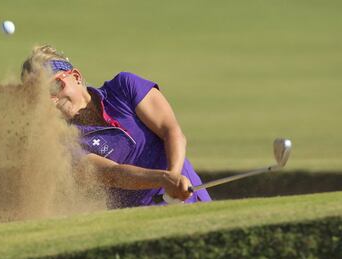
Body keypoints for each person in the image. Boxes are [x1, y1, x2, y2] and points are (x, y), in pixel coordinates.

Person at [21, 45, 211, 208]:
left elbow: (171, 131)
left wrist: (174, 175)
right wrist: (164, 179)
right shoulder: (62, 143)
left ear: (76, 76)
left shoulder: (124, 87)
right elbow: (112, 174)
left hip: (193, 202)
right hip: (142, 223)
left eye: (55, 87)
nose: (52, 100)